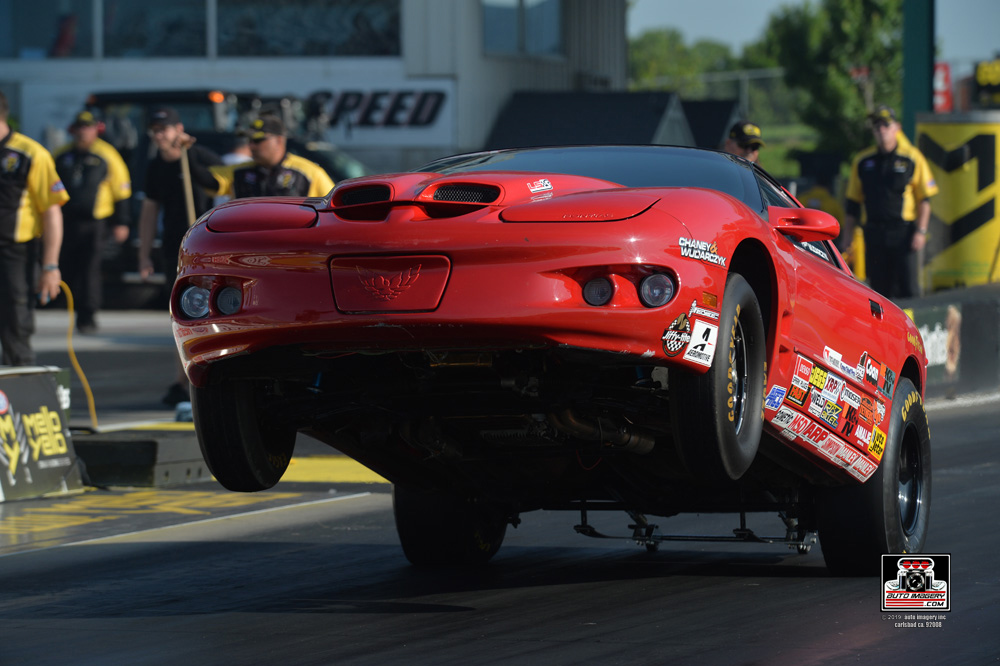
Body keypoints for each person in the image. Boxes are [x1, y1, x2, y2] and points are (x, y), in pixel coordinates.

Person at [137, 106, 222, 405]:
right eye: (154, 131)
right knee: (180, 314)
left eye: (164, 129)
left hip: (206, 247)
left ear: (179, 129)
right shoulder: (156, 166)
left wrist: (191, 156)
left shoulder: (200, 156)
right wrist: (144, 254)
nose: (159, 136)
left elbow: (221, 188)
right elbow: (149, 212)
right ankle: (181, 379)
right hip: (176, 249)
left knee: (209, 311)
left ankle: (210, 372)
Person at [0, 90, 69, 366]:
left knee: (16, 322)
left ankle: (19, 381)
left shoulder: (31, 153)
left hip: (14, 252)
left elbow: (51, 212)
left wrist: (50, 266)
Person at [843, 105, 938, 299]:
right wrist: (847, 237)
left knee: (908, 288)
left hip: (903, 233)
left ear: (897, 128)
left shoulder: (911, 158)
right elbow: (853, 203)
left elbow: (925, 199)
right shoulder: (863, 161)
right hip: (874, 232)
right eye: (877, 126)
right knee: (878, 291)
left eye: (886, 125)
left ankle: (911, 320)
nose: (881, 130)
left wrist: (921, 231)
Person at [53, 110, 132, 334]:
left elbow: (122, 190)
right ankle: (64, 305)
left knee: (90, 269)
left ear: (96, 130)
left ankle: (87, 315)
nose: (83, 132)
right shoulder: (61, 155)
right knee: (66, 266)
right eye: (79, 127)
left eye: (87, 127)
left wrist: (122, 222)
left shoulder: (107, 154)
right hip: (66, 222)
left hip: (95, 223)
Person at [192, 113, 334, 199]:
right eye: (249, 140)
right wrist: (188, 151)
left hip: (293, 240)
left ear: (279, 140)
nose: (251, 146)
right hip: (250, 240)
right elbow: (209, 180)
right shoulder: (241, 172)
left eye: (257, 140)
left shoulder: (310, 173)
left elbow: (337, 204)